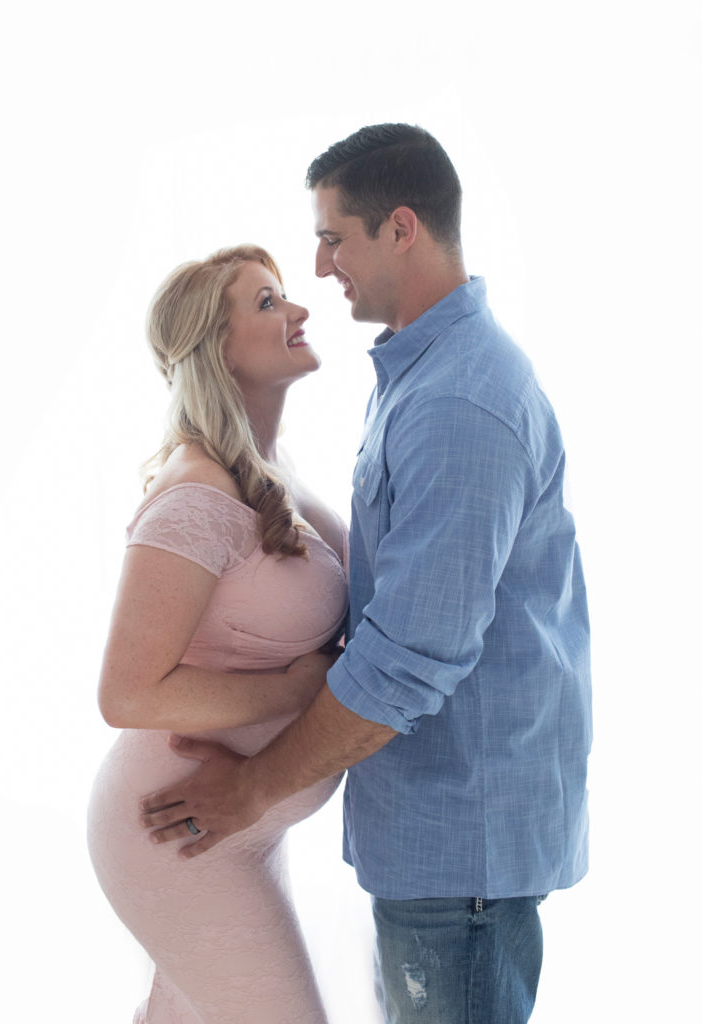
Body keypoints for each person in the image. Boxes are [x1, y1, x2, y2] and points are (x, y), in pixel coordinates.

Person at [139, 124, 593, 1024]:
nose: (320, 267)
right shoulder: (418, 379)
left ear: (400, 229)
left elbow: (409, 657)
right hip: (438, 846)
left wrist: (250, 789)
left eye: (333, 237)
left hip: (460, 854)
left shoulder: (460, 400)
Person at [87, 244, 351, 1023]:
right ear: (215, 349)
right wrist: (295, 689)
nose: (299, 310)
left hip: (236, 825)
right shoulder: (196, 495)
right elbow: (127, 692)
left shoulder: (274, 471)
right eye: (268, 302)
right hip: (173, 834)